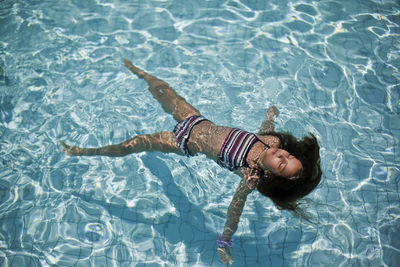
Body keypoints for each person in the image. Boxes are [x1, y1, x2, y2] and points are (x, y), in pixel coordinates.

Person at [62, 59, 322, 266]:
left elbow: (235, 209)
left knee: (135, 143)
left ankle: (84, 152)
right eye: (289, 156)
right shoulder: (272, 141)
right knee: (163, 89)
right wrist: (270, 115)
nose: (282, 156)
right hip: (197, 120)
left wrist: (225, 242)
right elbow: (264, 128)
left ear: (271, 177)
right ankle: (134, 68)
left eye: (281, 165)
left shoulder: (250, 175)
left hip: (182, 142)